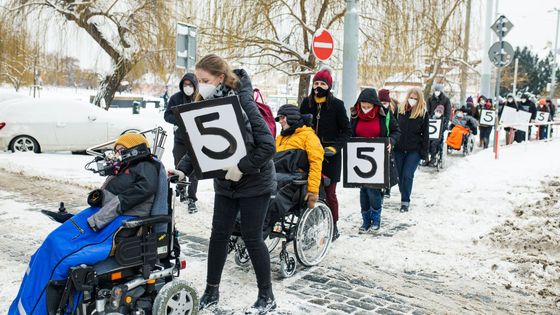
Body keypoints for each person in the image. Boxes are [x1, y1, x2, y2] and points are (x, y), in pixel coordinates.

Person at [10, 133, 160, 315]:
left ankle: (42, 309)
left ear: (134, 149)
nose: (117, 154)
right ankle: (26, 306)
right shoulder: (128, 167)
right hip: (106, 216)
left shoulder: (146, 166)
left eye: (121, 150)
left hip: (119, 223)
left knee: (62, 256)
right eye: (116, 151)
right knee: (50, 244)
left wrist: (103, 214)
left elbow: (140, 192)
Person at [172, 54, 277, 313]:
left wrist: (240, 167)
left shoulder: (242, 100)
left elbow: (268, 146)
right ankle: (211, 291)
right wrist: (183, 170)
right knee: (218, 236)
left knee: (252, 238)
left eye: (204, 80)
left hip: (255, 181)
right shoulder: (205, 102)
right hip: (226, 183)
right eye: (197, 80)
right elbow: (201, 143)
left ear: (220, 78)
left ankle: (267, 296)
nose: (199, 85)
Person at [299, 68, 351, 241]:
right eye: (316, 83)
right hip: (310, 154)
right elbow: (299, 126)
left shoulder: (337, 105)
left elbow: (346, 130)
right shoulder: (306, 103)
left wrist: (335, 148)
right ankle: (308, 225)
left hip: (331, 157)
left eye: (322, 83)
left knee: (330, 194)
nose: (318, 87)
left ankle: (333, 224)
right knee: (309, 191)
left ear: (329, 86)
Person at [350, 88, 400, 233]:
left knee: (373, 190)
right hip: (360, 158)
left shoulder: (384, 115)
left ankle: (376, 219)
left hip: (378, 158)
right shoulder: (355, 116)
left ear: (375, 105)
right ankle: (365, 221)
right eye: (363, 106)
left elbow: (397, 131)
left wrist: (391, 140)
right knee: (363, 190)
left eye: (368, 107)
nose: (365, 109)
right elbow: (349, 132)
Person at [270, 104, 324, 224]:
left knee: (271, 202)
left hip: (295, 181)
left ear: (292, 117)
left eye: (283, 117)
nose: (280, 121)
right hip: (275, 178)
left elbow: (316, 164)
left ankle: (255, 233)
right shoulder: (280, 138)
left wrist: (313, 191)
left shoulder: (309, 136)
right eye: (279, 118)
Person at [164, 72, 199, 213]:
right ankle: (181, 189)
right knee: (180, 167)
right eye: (185, 84)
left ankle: (192, 198)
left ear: (195, 85)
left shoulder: (199, 98)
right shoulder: (175, 98)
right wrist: (179, 119)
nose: (187, 87)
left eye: (190, 84)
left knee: (195, 170)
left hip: (196, 140)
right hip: (180, 139)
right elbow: (167, 115)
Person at [394, 87, 429, 212]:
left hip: (414, 150)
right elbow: (393, 128)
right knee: (399, 176)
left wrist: (424, 153)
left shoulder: (423, 114)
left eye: (415, 98)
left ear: (419, 99)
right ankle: (404, 192)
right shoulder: (399, 111)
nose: (412, 100)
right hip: (398, 149)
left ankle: (405, 201)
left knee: (407, 175)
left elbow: (425, 135)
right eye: (411, 97)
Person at [378, 88, 398, 198]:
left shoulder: (389, 114)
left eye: (384, 103)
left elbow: (396, 130)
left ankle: (387, 188)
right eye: (380, 103)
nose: (382, 105)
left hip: (386, 146)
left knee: (387, 168)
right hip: (374, 146)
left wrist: (391, 140)